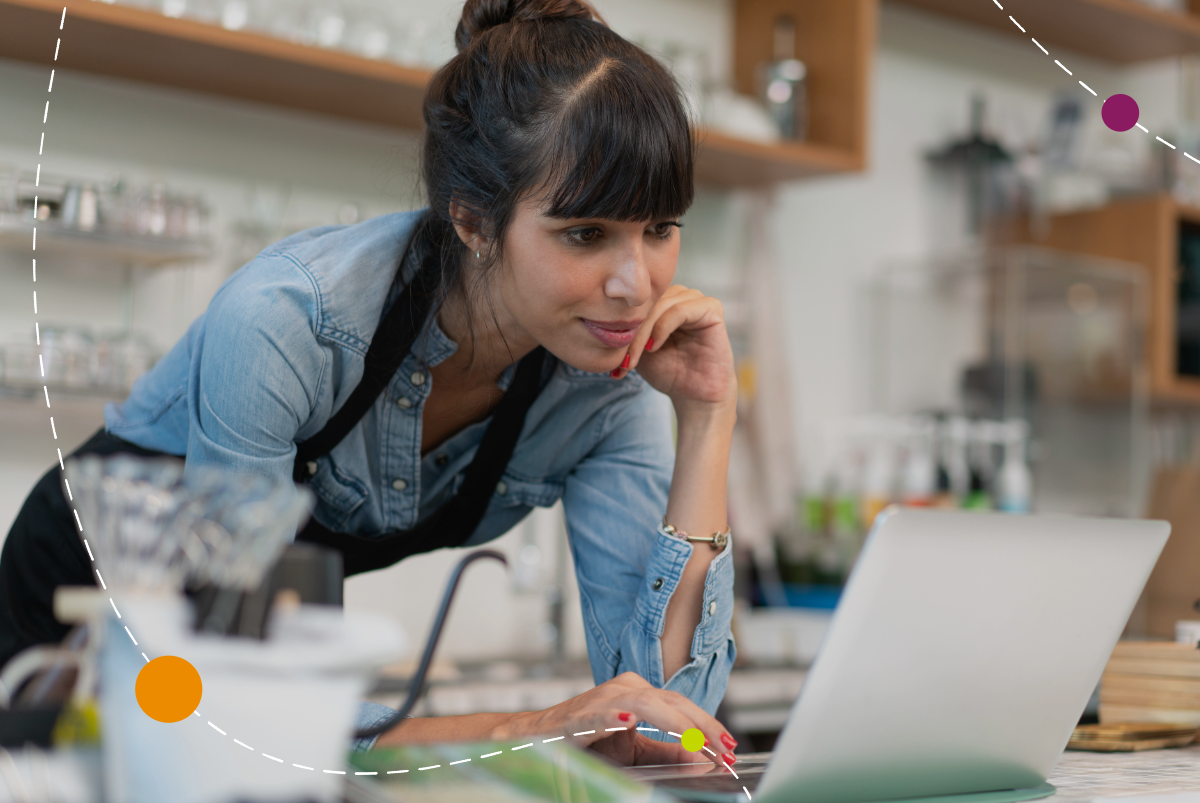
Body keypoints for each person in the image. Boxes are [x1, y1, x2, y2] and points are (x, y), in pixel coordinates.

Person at [0, 0, 740, 767]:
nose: (635, 284)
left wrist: (707, 416)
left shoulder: (607, 377)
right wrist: (519, 727)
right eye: (586, 233)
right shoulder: (289, 322)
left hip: (250, 658)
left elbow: (666, 715)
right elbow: (243, 695)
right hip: (79, 629)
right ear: (474, 222)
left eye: (660, 229)